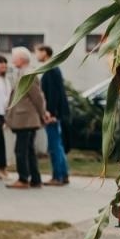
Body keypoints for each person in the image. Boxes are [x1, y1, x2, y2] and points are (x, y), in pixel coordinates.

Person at [3, 47, 51, 188]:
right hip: (24, 119)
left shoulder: (28, 74)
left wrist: (43, 114)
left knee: (21, 150)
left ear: (21, 59)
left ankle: (23, 179)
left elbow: (37, 97)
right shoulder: (23, 73)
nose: (12, 60)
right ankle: (35, 180)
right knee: (28, 150)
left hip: (26, 120)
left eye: (14, 57)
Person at [36, 44, 71, 185]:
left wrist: (50, 113)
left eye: (37, 52)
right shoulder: (54, 68)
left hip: (53, 114)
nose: (36, 55)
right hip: (57, 113)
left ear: (45, 52)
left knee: (54, 146)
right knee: (58, 145)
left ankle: (58, 177)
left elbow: (53, 94)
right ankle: (63, 175)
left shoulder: (50, 69)